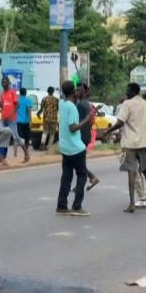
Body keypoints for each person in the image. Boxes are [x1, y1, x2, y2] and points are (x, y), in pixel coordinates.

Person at [101, 83, 146, 213]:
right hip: (144, 142)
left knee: (131, 172)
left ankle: (132, 203)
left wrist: (108, 131)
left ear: (133, 91)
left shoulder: (127, 104)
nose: (126, 93)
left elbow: (120, 122)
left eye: (128, 90)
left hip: (130, 143)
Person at [56, 80, 94, 216]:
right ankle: (77, 207)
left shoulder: (61, 103)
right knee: (82, 175)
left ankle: (61, 206)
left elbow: (68, 96)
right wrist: (87, 118)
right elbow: (72, 128)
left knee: (66, 176)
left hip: (65, 147)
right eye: (76, 91)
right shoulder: (72, 107)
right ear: (73, 92)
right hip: (75, 147)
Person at [75, 84, 100, 191]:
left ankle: (92, 177)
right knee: (81, 160)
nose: (75, 93)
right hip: (86, 135)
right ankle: (80, 183)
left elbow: (80, 122)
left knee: (77, 162)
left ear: (81, 93)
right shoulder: (87, 104)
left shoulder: (80, 105)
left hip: (81, 135)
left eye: (77, 91)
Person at [37, 86, 59, 151]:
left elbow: (41, 109)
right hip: (54, 119)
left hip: (46, 118)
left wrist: (38, 114)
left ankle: (42, 143)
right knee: (52, 133)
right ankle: (48, 147)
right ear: (53, 91)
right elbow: (58, 109)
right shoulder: (56, 99)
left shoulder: (44, 99)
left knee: (45, 132)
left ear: (47, 91)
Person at [16, 88, 33, 162]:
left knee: (20, 139)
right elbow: (29, 110)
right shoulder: (28, 100)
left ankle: (26, 155)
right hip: (26, 121)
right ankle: (26, 154)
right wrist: (30, 121)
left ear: (20, 93)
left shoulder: (17, 100)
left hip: (18, 122)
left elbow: (14, 110)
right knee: (26, 139)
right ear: (25, 93)